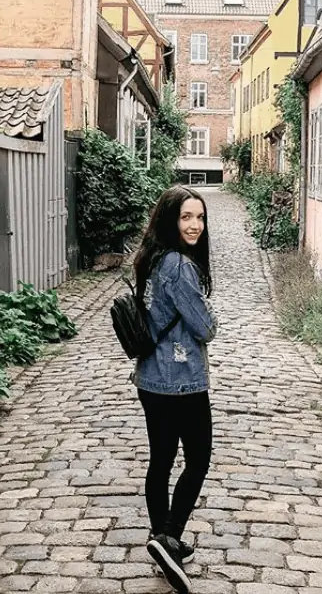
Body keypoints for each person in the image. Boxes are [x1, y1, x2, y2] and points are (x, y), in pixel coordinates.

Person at [131, 185, 218, 594]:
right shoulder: (180, 266)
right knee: (199, 458)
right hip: (181, 378)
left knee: (162, 459)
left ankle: (160, 538)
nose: (195, 225)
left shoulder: (150, 258)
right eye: (186, 217)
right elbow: (205, 327)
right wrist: (210, 315)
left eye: (199, 217)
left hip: (150, 376)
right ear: (170, 219)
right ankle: (169, 534)